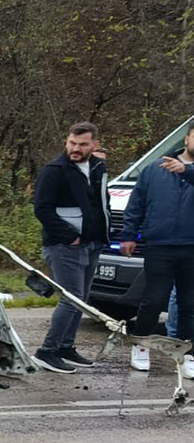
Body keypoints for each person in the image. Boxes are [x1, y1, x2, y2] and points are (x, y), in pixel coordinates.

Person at [31, 122, 110, 373]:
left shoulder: (97, 168)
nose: (76, 149)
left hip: (92, 243)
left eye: (83, 144)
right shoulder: (54, 171)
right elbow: (41, 209)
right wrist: (69, 236)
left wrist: (101, 235)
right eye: (72, 143)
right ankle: (47, 351)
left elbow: (100, 203)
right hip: (65, 246)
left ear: (94, 145)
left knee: (82, 300)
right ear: (66, 142)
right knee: (72, 298)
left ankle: (66, 346)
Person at [120, 124, 194, 379]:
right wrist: (129, 235)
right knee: (153, 300)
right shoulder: (154, 170)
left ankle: (187, 353)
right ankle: (141, 347)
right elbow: (136, 203)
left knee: (189, 303)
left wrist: (187, 171)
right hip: (159, 245)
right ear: (187, 138)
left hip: (191, 247)